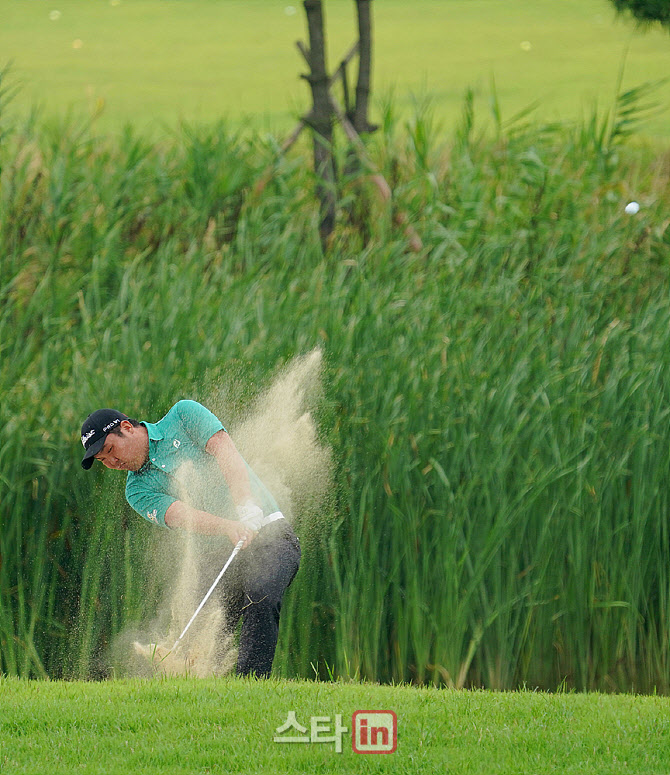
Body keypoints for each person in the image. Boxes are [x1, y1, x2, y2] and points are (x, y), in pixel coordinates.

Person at [79, 399, 301, 678]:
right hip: (219, 556)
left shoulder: (183, 416)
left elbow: (224, 450)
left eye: (110, 449)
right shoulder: (136, 490)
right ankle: (205, 698)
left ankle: (251, 686)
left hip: (270, 534)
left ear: (127, 428)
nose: (112, 462)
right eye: (103, 461)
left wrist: (245, 505)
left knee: (261, 596)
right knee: (207, 630)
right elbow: (181, 515)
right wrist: (229, 527)